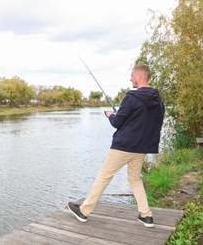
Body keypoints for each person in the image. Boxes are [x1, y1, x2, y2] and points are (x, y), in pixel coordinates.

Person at [68, 64, 165, 228]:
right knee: (135, 180)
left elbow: (118, 122)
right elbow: (153, 123)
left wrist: (111, 115)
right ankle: (146, 215)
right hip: (141, 148)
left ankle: (84, 211)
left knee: (103, 177)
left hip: (123, 146)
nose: (130, 78)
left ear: (140, 77)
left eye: (132, 75)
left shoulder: (131, 97)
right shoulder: (158, 101)